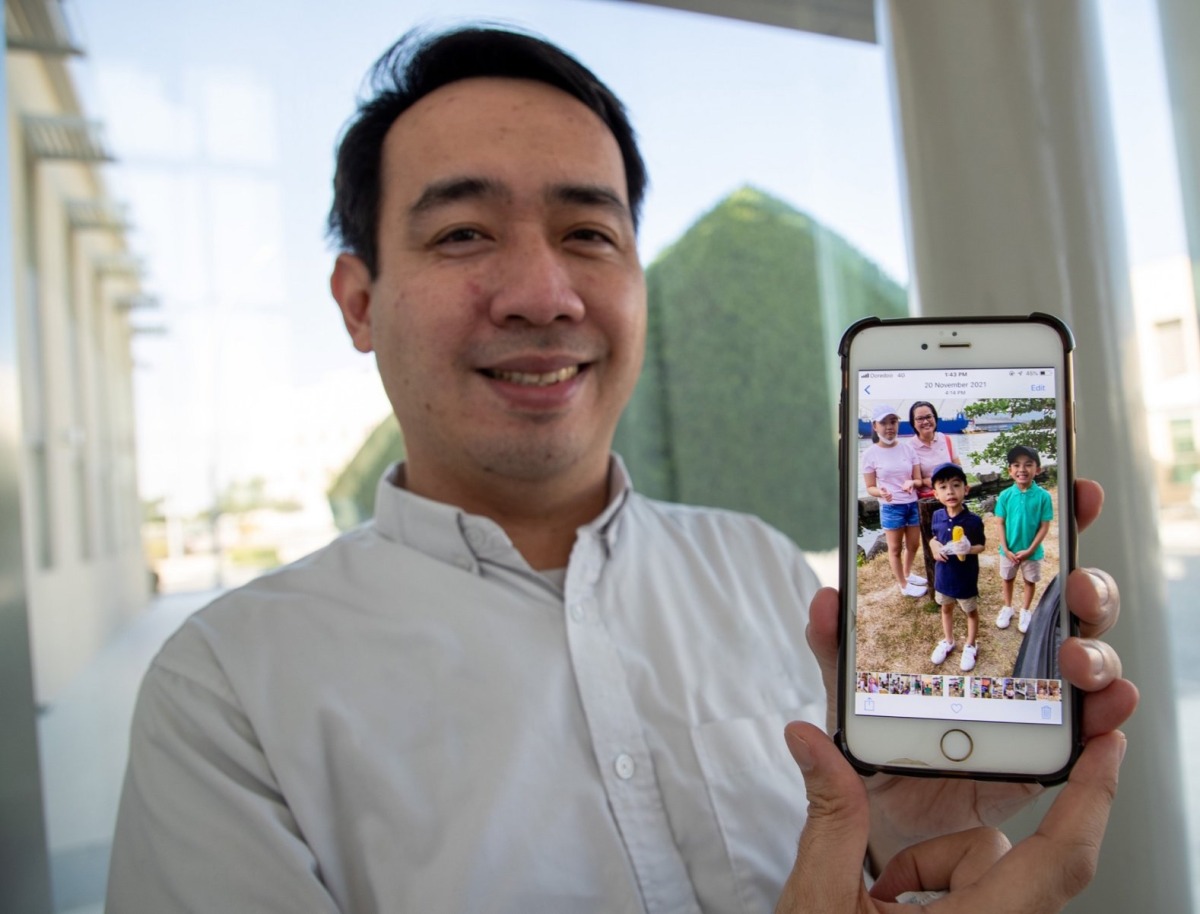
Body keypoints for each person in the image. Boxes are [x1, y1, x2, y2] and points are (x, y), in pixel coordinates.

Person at [107, 24, 1137, 913]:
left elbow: (860, 865)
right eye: (462, 232)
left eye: (589, 233)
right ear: (359, 300)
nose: (544, 293)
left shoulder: (761, 570)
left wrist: (899, 825)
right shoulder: (228, 693)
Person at [861, 405, 926, 598]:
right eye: (883, 423)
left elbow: (919, 480)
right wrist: (881, 492)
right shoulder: (869, 454)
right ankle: (903, 585)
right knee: (895, 548)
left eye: (893, 421)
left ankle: (907, 573)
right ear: (875, 426)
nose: (889, 427)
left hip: (912, 504)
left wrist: (912, 482)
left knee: (913, 545)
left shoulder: (908, 449)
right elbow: (870, 487)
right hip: (891, 507)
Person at [926, 462, 986, 672]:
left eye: (956, 485)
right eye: (943, 487)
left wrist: (968, 548)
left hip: (965, 577)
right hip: (943, 576)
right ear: (936, 494)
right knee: (946, 607)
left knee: (970, 611)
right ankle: (948, 640)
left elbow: (981, 547)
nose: (950, 491)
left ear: (966, 489)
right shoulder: (937, 516)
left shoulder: (973, 520)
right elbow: (934, 537)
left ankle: (970, 644)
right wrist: (933, 545)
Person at [995, 444, 1055, 634]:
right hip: (1008, 550)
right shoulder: (1005, 495)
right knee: (1007, 578)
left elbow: (1044, 525)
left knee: (1030, 581)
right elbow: (1000, 523)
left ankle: (1026, 610)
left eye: (1028, 464)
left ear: (1037, 469)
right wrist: (1005, 549)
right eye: (1016, 465)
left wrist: (1030, 550)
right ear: (1010, 470)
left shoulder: (1043, 496)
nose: (1022, 469)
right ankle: (1007, 607)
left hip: (1032, 551)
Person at [909, 400, 961, 588]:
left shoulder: (946, 440)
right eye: (919, 418)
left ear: (935, 418)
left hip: (951, 499)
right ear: (913, 422)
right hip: (927, 503)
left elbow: (957, 466)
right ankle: (937, 585)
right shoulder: (910, 447)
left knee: (955, 541)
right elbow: (914, 479)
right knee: (933, 544)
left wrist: (949, 484)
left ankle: (957, 580)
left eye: (928, 416)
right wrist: (937, 483)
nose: (925, 421)